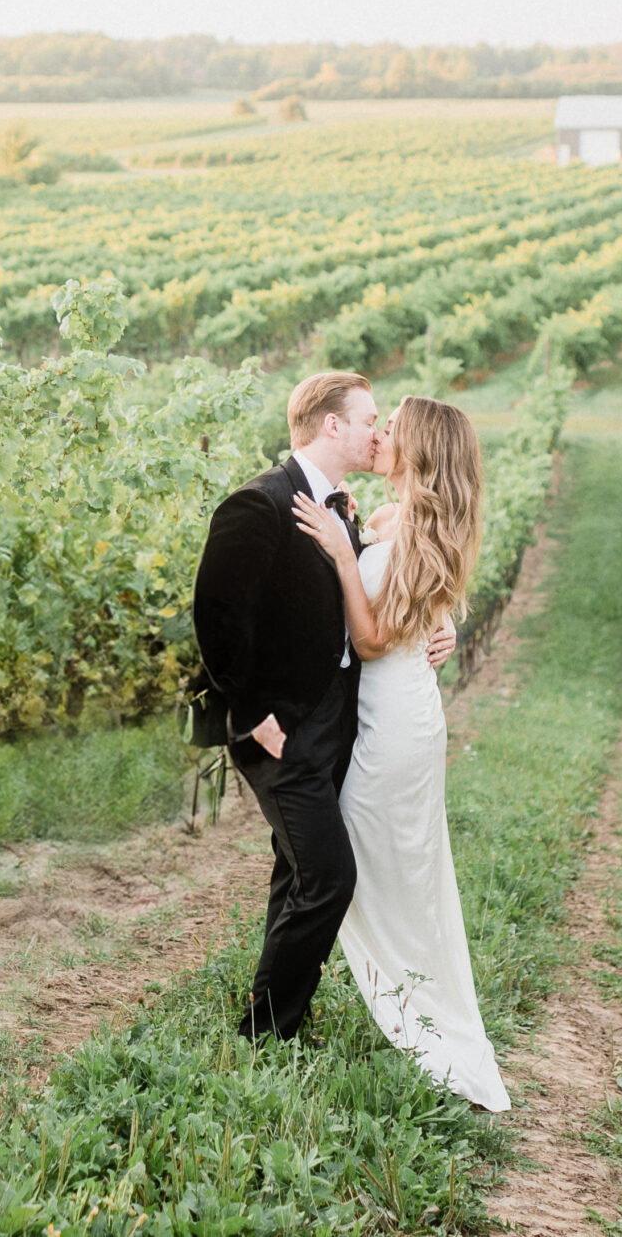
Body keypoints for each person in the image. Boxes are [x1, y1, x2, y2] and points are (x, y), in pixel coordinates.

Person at [190, 373, 454, 1042]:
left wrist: (438, 627)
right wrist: (251, 714)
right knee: (331, 875)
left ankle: (275, 1021)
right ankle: (265, 1032)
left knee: (299, 870)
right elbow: (218, 617)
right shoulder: (259, 504)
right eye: (369, 418)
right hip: (277, 729)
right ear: (331, 425)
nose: (377, 431)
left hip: (333, 726)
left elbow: (368, 601)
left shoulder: (343, 506)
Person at [289, 395, 508, 1111]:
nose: (379, 436)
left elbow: (374, 639)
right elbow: (425, 593)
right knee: (389, 871)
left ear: (417, 451)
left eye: (392, 431)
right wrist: (442, 617)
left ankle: (419, 1022)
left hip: (397, 725)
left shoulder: (409, 527)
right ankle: (405, 1001)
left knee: (372, 871)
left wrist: (343, 557)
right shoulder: (403, 517)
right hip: (401, 713)